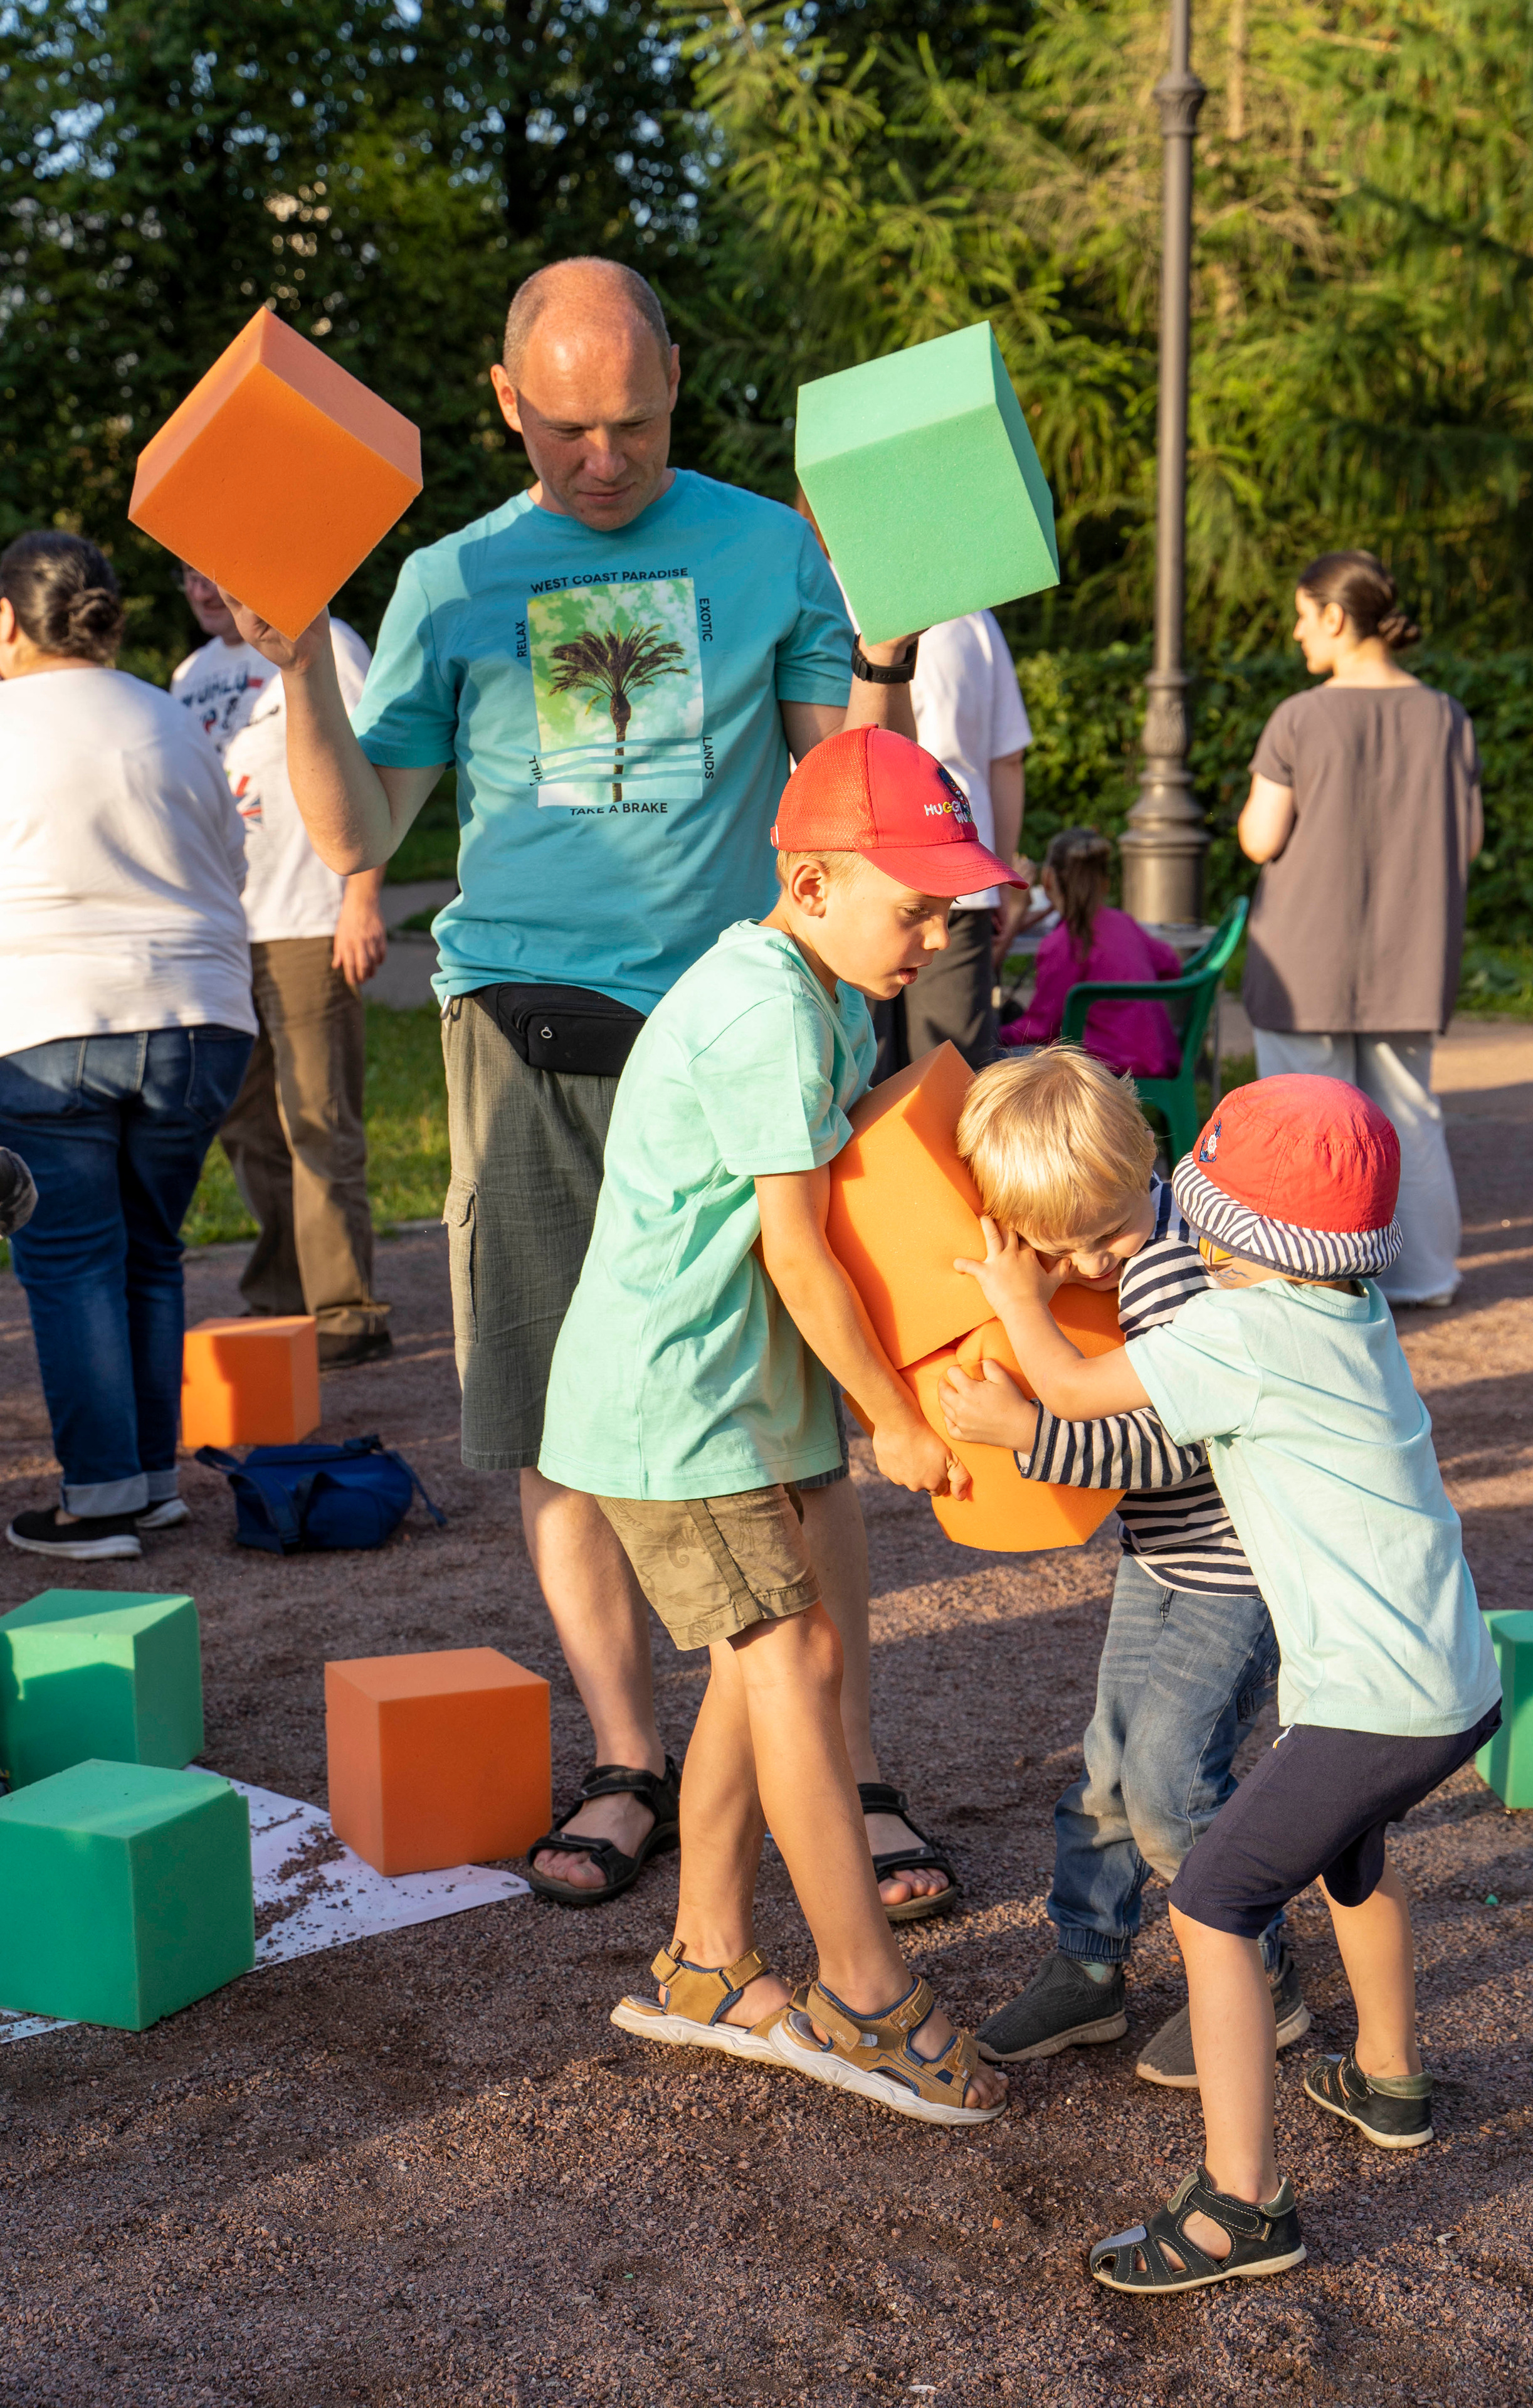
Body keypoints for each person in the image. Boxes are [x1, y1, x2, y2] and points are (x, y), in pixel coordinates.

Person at [214, 256, 952, 1915]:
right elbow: (359, 834)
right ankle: (631, 1761)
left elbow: (855, 797)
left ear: (676, 379)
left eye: (631, 422)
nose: (601, 460)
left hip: (738, 1035)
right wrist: (298, 664)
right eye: (564, 430)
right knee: (559, 1423)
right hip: (524, 1035)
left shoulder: (766, 547)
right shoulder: (455, 576)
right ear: (505, 402)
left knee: (795, 1422)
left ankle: (846, 1770)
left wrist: (886, 652)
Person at [942, 1073, 1500, 2291]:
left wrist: (1016, 1310)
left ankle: (1240, 2209)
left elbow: (1074, 1395)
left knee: (1210, 1903)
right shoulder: (1342, 1308)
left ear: (1230, 1229)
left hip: (1370, 1703)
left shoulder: (1242, 1330)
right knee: (1349, 1858)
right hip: (1447, 1681)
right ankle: (1388, 2080)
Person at [539, 726, 1019, 2122]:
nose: (936, 938)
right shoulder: (765, 1011)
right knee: (795, 1658)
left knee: (763, 1669)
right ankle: (864, 1999)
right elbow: (799, 1255)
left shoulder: (820, 988)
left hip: (735, 1391)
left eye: (949, 911)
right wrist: (894, 1418)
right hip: (679, 1400)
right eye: (913, 908)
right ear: (811, 885)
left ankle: (703, 1961)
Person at [937, 1047, 1306, 2085]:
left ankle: (1262, 1975)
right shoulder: (1137, 1235)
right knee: (1106, 1771)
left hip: (1235, 1574)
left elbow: (1167, 1448)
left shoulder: (1174, 1271)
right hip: (1163, 1555)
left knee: (1170, 1786)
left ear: (1144, 1156)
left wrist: (1027, 1431)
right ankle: (1089, 1967)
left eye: (1105, 1232)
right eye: (1063, 1247)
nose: (1093, 1262)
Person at [0, 532, 255, 1561]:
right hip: (203, 1021)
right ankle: (148, 1485)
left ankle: (100, 1500)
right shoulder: (172, 715)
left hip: (52, 1021)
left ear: (8, 620)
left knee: (69, 1262)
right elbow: (233, 860)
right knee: (150, 1250)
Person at [1238, 549, 1482, 1307]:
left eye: (1303, 616)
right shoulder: (1446, 717)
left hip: (1304, 956)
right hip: (1411, 954)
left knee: (1306, 1123)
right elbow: (1468, 841)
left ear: (1336, 617)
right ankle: (1427, 1276)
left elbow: (1260, 838)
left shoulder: (1298, 717)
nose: (1296, 632)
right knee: (1409, 1116)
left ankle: (1313, 1284)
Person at [172, 570, 392, 1370]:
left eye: (215, 573)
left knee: (316, 1117)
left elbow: (376, 764)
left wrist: (361, 901)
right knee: (248, 1126)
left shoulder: (323, 642)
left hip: (307, 917)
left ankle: (344, 1311)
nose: (203, 590)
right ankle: (281, 1296)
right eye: (188, 575)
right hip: (225, 931)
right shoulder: (190, 676)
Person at [796, 494, 1031, 1073]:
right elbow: (1006, 761)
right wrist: (996, 881)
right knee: (952, 1080)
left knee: (853, 1071)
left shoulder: (812, 597)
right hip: (955, 880)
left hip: (843, 882)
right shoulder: (970, 616)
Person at [999, 828, 1181, 1072]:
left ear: (1048, 878)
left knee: (997, 1057)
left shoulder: (1062, 943)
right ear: (1105, 882)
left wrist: (992, 1033)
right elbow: (1171, 966)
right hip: (1156, 1058)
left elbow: (1040, 1029)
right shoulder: (1123, 922)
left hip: (1105, 1066)